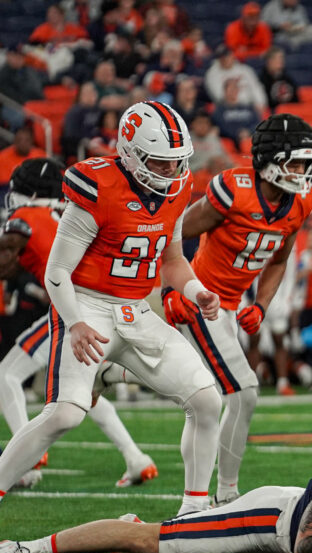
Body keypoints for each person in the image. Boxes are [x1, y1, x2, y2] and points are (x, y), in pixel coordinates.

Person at [0, 101, 223, 518]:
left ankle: (194, 511)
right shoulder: (97, 186)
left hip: (135, 309)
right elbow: (57, 273)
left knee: (208, 401)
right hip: (87, 304)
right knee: (65, 414)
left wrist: (196, 291)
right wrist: (77, 323)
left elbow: (171, 258)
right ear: (131, 153)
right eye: (161, 163)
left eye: (177, 163)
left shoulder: (177, 187)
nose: (172, 173)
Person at [0, 424, 312, 553]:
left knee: (156, 538)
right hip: (271, 522)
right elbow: (305, 546)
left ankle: (127, 529)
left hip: (296, 512)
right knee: (155, 543)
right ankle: (29, 549)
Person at [157, 114, 312, 505]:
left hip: (229, 305)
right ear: (269, 161)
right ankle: (226, 494)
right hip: (202, 300)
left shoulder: (299, 203)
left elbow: (279, 258)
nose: (302, 174)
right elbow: (169, 236)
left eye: (306, 165)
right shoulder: (234, 190)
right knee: (242, 391)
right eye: (295, 163)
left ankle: (213, 494)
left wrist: (261, 305)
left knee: (207, 402)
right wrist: (172, 291)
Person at [0, 158, 156, 489]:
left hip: (82, 312)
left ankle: (23, 460)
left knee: (5, 376)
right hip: (111, 307)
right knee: (82, 394)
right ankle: (135, 458)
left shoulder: (25, 217)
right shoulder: (65, 213)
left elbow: (6, 261)